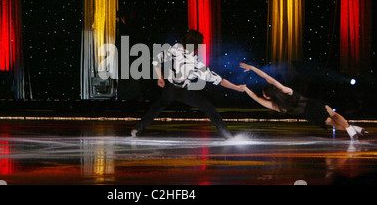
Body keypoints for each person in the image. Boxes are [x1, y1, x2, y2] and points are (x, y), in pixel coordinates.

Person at [131, 30, 245, 139]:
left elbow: (156, 59)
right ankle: (226, 135)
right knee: (209, 109)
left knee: (157, 107)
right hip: (181, 91)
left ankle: (136, 129)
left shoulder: (176, 48)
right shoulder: (194, 63)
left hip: (170, 89)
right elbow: (219, 80)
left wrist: (160, 77)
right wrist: (236, 87)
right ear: (196, 45)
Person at [239, 63, 368, 140]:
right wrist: (252, 68)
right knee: (333, 114)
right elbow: (266, 77)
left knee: (332, 123)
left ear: (268, 96)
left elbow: (256, 98)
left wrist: (246, 89)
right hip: (312, 103)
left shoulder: (276, 105)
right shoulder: (286, 90)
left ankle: (350, 129)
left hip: (309, 113)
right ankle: (352, 128)